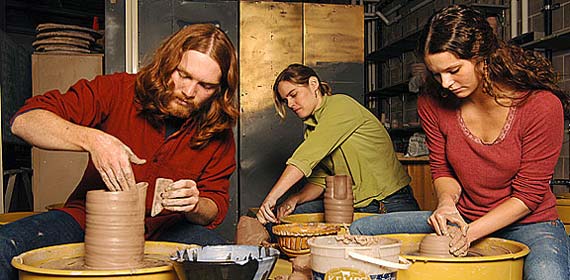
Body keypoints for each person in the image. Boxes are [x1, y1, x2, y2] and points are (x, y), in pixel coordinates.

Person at [349, 5, 570, 280]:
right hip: (462, 217)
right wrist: (446, 205)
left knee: (547, 276)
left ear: (482, 55)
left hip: (530, 223)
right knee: (359, 231)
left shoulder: (540, 105)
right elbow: (442, 170)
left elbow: (528, 196)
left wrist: (470, 234)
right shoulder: (432, 104)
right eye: (436, 73)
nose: (445, 83)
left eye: (453, 70)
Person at [1, 23, 238, 278]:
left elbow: (214, 206)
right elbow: (24, 121)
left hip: (167, 228)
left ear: (220, 90)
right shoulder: (118, 90)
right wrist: (92, 140)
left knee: (224, 262)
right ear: (168, 62)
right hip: (89, 221)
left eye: (206, 86)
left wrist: (194, 205)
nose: (189, 92)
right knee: (5, 245)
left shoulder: (219, 133)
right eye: (183, 75)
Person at [256, 63, 420, 226]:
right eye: (286, 101)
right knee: (285, 220)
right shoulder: (312, 129)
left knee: (353, 236)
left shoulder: (341, 106)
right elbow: (321, 180)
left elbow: (304, 158)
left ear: (314, 84)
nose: (291, 104)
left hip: (388, 203)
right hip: (355, 205)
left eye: (293, 95)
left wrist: (271, 198)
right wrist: (294, 199)